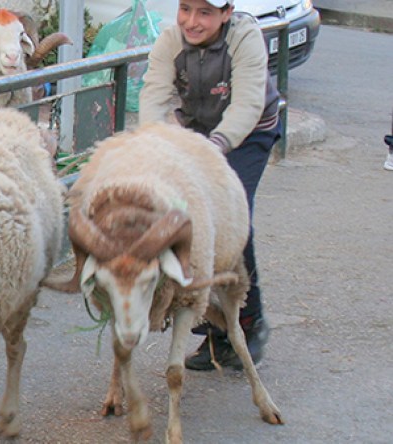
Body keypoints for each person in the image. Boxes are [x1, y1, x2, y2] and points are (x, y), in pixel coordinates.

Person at [139, 0, 281, 370]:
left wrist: (212, 148)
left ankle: (248, 321)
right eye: (185, 9)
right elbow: (153, 95)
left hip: (247, 135)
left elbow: (247, 105)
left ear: (226, 12)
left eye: (205, 12)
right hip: (198, 133)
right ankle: (213, 326)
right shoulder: (171, 40)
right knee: (186, 218)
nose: (192, 21)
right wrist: (152, 144)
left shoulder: (245, 39)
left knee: (232, 218)